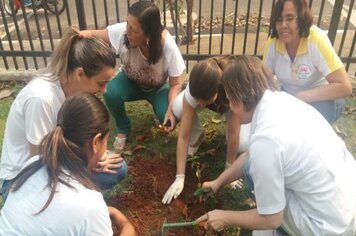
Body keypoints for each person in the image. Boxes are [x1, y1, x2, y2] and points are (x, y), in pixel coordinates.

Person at [195, 55, 356, 235]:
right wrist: (218, 182)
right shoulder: (279, 101)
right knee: (252, 166)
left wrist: (225, 217)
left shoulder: (266, 140)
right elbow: (251, 155)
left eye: (231, 100)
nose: (231, 108)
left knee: (267, 208)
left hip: (330, 227)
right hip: (346, 197)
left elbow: (272, 218)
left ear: (240, 97)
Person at [0, 26, 127, 199]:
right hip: (22, 180)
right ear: (80, 74)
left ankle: (73, 203)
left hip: (55, 163)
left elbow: (73, 141)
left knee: (118, 168)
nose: (104, 90)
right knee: (98, 177)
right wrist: (89, 165)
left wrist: (97, 156)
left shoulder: (71, 92)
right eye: (100, 83)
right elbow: (40, 162)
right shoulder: (41, 99)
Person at [0, 93, 135, 236]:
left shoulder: (35, 163)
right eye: (105, 141)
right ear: (96, 142)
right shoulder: (90, 205)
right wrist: (125, 225)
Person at [80, 1, 185, 152]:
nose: (127, 32)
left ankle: (159, 113)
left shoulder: (167, 46)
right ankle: (123, 127)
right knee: (110, 91)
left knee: (167, 117)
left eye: (133, 30)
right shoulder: (124, 33)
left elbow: (175, 84)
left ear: (149, 34)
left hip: (158, 87)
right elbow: (94, 34)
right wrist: (82, 34)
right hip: (130, 81)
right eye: (127, 25)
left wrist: (170, 108)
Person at [162, 56, 251, 204]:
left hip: (230, 106)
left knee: (241, 143)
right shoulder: (196, 87)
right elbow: (183, 136)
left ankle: (228, 127)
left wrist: (229, 169)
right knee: (178, 108)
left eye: (203, 100)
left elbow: (233, 131)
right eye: (197, 99)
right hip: (211, 92)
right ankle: (197, 137)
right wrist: (180, 177)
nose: (200, 104)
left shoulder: (232, 90)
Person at [263, 0, 352, 124]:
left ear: (302, 17)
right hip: (289, 98)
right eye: (279, 19)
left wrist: (302, 97)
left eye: (289, 18)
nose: (283, 25)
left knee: (306, 126)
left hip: (323, 100)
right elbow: (263, 81)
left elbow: (345, 87)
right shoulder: (273, 42)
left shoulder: (316, 40)